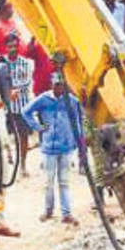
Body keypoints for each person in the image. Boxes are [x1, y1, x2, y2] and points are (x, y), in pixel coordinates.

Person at [23, 74, 85, 226]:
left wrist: (79, 141)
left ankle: (66, 213)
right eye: (56, 85)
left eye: (62, 85)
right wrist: (38, 127)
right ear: (52, 85)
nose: (59, 88)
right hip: (49, 147)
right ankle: (48, 210)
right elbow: (26, 111)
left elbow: (78, 120)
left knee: (64, 181)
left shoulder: (71, 101)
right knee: (48, 182)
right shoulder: (44, 99)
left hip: (66, 146)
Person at [0, 32, 34, 176]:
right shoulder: (1, 64)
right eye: (10, 46)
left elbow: (26, 82)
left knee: (23, 137)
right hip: (5, 108)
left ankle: (22, 164)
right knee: (6, 137)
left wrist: (11, 90)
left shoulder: (25, 63)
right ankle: (10, 162)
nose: (13, 49)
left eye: (15, 46)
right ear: (6, 47)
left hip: (22, 107)